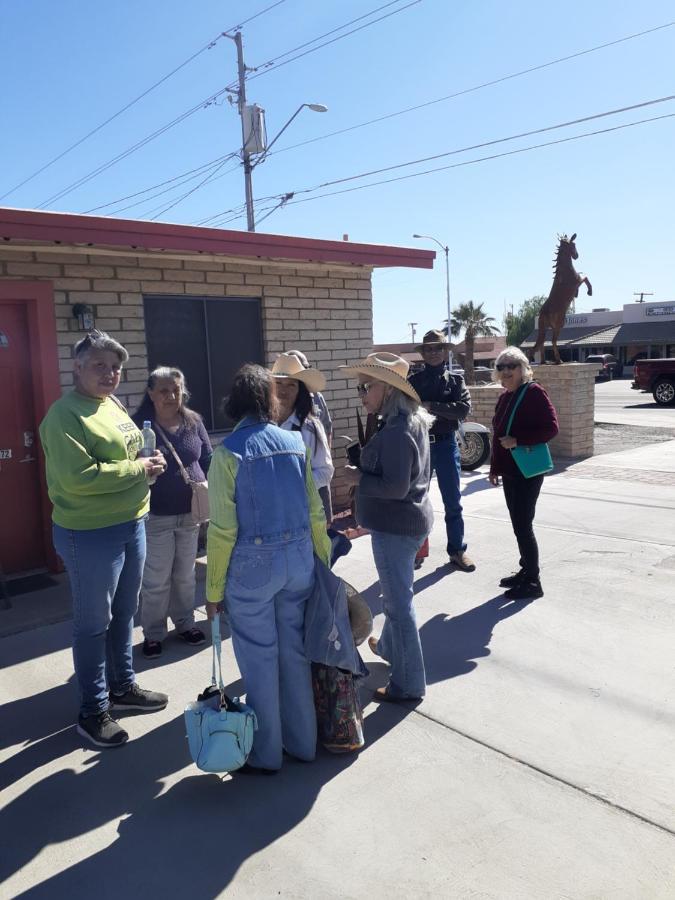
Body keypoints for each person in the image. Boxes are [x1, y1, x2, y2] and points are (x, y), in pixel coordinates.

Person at [39, 330, 168, 749]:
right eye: (99, 365)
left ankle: (122, 687)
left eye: (115, 367)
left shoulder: (110, 404)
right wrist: (139, 471)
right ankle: (92, 710)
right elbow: (77, 479)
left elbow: (131, 450)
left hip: (131, 522)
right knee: (94, 623)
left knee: (125, 612)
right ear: (77, 367)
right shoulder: (64, 416)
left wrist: (150, 462)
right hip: (89, 532)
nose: (110, 374)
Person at [206, 364, 331, 773]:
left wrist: (213, 590)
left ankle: (266, 754)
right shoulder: (296, 444)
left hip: (252, 569)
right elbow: (316, 513)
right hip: (298, 562)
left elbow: (223, 530)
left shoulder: (227, 454)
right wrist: (321, 562)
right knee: (293, 653)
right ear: (269, 400)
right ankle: (304, 743)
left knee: (260, 659)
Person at [341, 352, 433, 703]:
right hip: (407, 524)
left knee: (398, 605)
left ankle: (408, 684)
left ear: (388, 390)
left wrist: (358, 477)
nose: (362, 394)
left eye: (366, 387)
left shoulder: (396, 430)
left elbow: (394, 487)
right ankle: (392, 648)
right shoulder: (408, 422)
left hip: (397, 527)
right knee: (397, 595)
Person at [132, 367, 213, 659]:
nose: (171, 396)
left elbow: (208, 457)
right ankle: (153, 633)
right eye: (164, 390)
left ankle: (185, 623)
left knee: (185, 574)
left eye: (176, 389)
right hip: (156, 515)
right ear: (151, 393)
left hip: (190, 513)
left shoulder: (194, 422)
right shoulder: (139, 427)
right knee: (156, 578)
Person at [488, 346, 559, 600]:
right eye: (501, 366)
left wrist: (519, 440)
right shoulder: (505, 396)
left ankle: (533, 581)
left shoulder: (533, 393)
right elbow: (498, 436)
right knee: (518, 524)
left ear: (523, 369)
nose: (506, 370)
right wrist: (495, 468)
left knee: (523, 524)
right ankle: (525, 570)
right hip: (509, 471)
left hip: (527, 469)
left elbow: (551, 428)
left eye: (512, 365)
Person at [408, 330, 475, 572]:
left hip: (446, 444)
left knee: (453, 502)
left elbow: (462, 410)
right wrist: (443, 408)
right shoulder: (413, 382)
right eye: (429, 349)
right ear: (423, 353)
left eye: (438, 348)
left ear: (445, 351)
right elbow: (408, 411)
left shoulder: (456, 381)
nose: (434, 352)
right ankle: (417, 551)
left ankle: (457, 551)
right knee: (417, 501)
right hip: (421, 446)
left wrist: (429, 406)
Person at [271, 352, 335, 523]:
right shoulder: (261, 425)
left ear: (300, 390)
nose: (283, 390)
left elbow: (325, 470)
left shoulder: (310, 428)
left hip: (304, 515)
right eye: (278, 383)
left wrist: (295, 485)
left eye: (291, 385)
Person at [286, 349, 333, 443]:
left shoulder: (317, 397)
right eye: (303, 367)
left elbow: (327, 429)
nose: (306, 371)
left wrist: (326, 454)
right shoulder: (281, 399)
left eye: (307, 367)